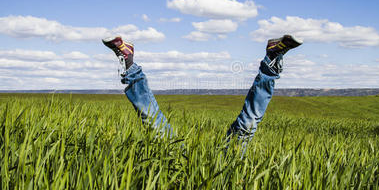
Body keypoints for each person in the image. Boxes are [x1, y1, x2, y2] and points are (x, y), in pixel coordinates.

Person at [102, 34, 302, 150]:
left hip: (223, 172)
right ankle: (128, 61)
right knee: (158, 131)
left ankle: (272, 59)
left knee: (247, 125)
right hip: (185, 172)